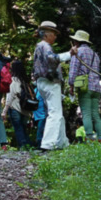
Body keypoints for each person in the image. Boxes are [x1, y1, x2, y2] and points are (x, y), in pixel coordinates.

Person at [32, 21, 68, 151]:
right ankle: (47, 144)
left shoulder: (39, 46)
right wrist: (69, 54)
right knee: (55, 113)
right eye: (54, 34)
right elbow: (52, 59)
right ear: (47, 34)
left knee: (56, 111)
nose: (56, 37)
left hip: (42, 82)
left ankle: (62, 142)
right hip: (50, 82)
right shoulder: (45, 46)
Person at [68, 30, 101, 141]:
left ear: (77, 41)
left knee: (86, 113)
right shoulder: (95, 54)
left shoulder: (78, 52)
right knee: (95, 114)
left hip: (85, 87)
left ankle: (89, 138)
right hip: (96, 88)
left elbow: (73, 70)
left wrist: (71, 85)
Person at [1, 60, 33, 149]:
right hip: (25, 110)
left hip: (15, 109)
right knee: (24, 129)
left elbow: (9, 98)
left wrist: (4, 111)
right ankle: (28, 146)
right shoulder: (26, 82)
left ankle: (22, 147)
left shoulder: (13, 81)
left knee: (18, 129)